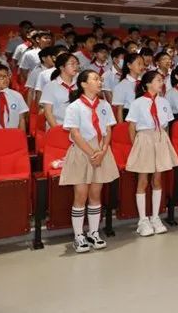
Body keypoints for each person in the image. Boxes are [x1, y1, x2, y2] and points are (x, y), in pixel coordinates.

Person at [59, 70, 119, 253]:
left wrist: (103, 151)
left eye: (100, 79)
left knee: (95, 194)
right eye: (95, 79)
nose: (99, 82)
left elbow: (108, 129)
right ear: (84, 84)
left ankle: (94, 232)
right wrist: (93, 153)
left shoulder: (104, 105)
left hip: (101, 150)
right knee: (81, 195)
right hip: (82, 151)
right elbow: (75, 133)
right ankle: (78, 236)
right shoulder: (74, 107)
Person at [126, 71, 178, 237]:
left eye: (162, 80)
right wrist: (137, 146)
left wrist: (164, 141)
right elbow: (131, 127)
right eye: (158, 80)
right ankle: (143, 220)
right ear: (148, 83)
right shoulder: (138, 103)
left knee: (157, 180)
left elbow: (166, 125)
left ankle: (155, 217)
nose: (161, 83)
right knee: (142, 181)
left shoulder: (164, 102)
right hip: (144, 138)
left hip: (160, 137)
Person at [40, 53, 80, 129]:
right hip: (59, 126)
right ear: (61, 67)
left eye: (77, 64)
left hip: (78, 128)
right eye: (72, 64)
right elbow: (48, 113)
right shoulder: (51, 86)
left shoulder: (80, 85)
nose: (76, 66)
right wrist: (58, 131)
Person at [112, 53, 144, 123]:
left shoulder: (144, 83)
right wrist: (121, 127)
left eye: (143, 64)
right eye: (139, 64)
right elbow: (119, 110)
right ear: (129, 65)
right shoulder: (122, 85)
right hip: (128, 118)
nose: (142, 66)